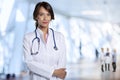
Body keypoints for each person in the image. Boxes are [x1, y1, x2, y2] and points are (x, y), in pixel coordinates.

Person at [23, 1, 67, 80]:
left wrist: (57, 74)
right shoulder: (28, 38)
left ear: (51, 17)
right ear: (36, 17)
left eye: (48, 14)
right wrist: (53, 72)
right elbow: (29, 63)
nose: (45, 18)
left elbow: (62, 66)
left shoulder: (59, 37)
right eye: (41, 14)